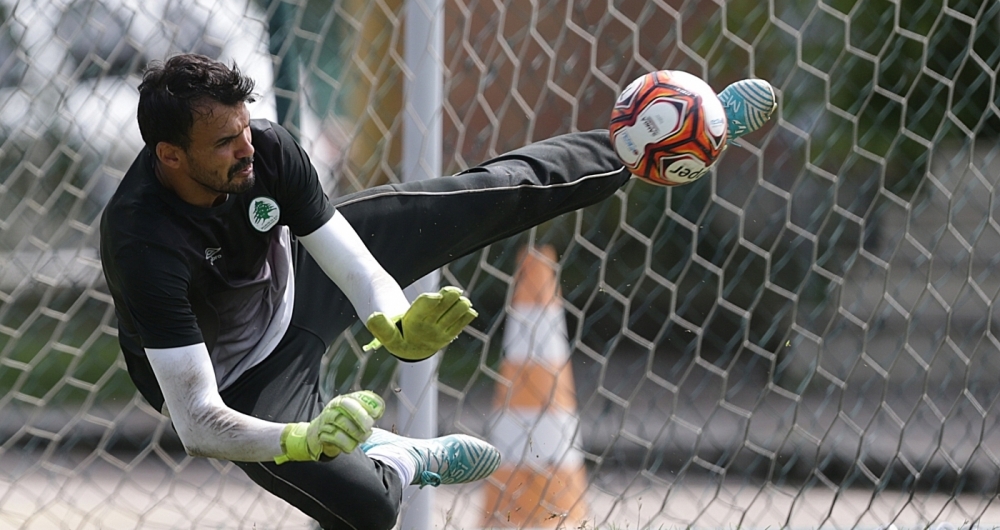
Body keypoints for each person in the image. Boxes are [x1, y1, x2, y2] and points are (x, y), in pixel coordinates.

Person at [98, 53, 776, 529]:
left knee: (483, 196)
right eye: (224, 142)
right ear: (171, 156)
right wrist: (303, 441)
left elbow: (346, 255)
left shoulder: (268, 149)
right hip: (240, 378)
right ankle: (399, 457)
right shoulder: (141, 240)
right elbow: (195, 420)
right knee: (369, 509)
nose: (245, 147)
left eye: (245, 127)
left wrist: (391, 317)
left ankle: (660, 140)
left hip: (301, 283)